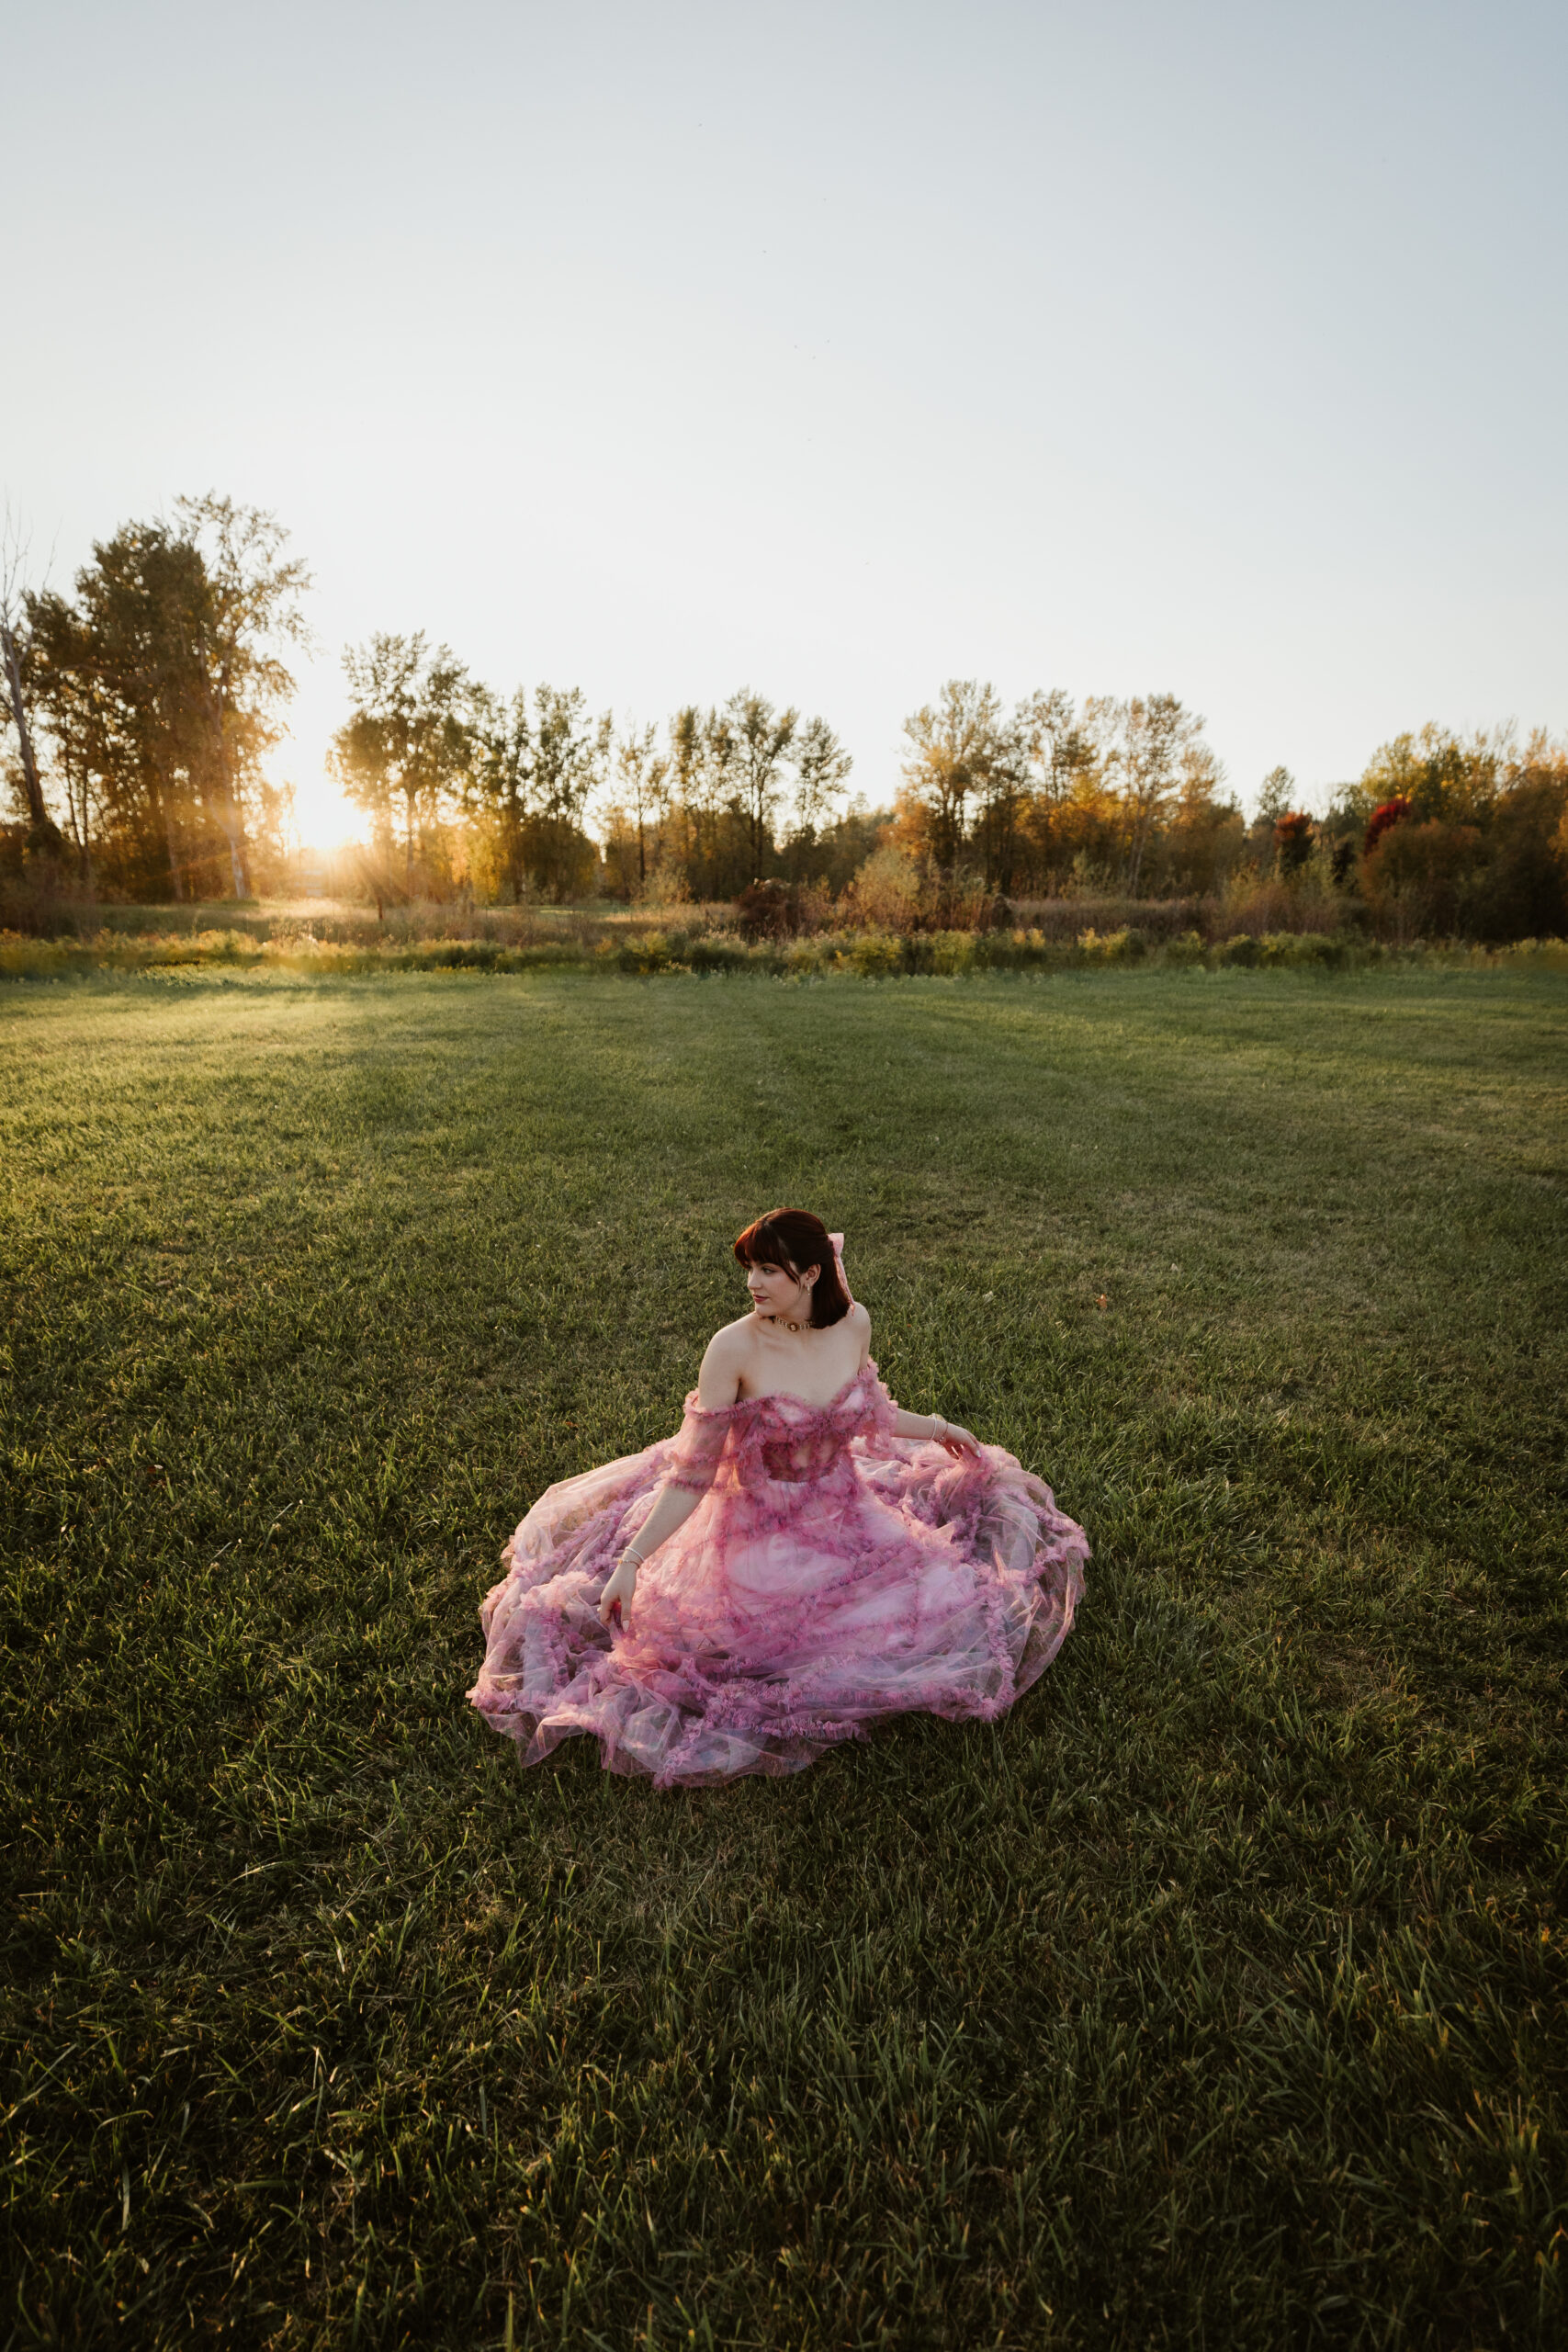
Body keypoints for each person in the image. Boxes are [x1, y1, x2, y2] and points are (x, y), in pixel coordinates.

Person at [468, 1209, 1088, 1786]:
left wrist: (936, 1427)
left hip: (848, 1511)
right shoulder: (732, 1348)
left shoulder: (853, 1323)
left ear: (811, 1273)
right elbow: (692, 1475)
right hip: (759, 1533)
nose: (752, 1284)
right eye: (750, 1269)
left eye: (767, 1269)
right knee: (761, 1643)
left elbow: (865, 1409)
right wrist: (631, 1562)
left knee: (935, 1603)